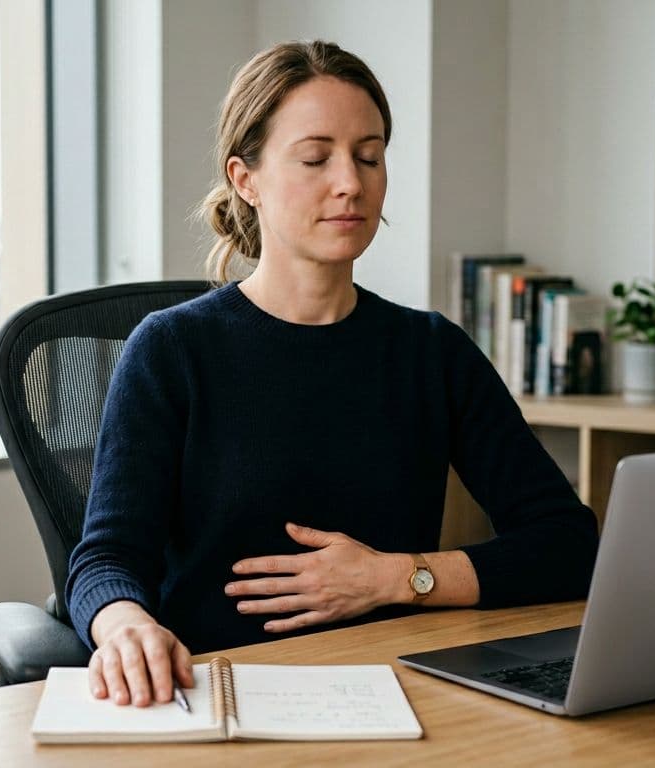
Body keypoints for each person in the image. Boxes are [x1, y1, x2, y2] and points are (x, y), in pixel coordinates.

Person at [65, 40, 598, 708]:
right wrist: (124, 625)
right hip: (218, 691)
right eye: (316, 158)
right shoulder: (171, 350)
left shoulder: (431, 351)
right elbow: (106, 559)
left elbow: (568, 544)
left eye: (369, 156)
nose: (351, 182)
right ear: (246, 179)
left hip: (398, 690)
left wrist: (396, 578)